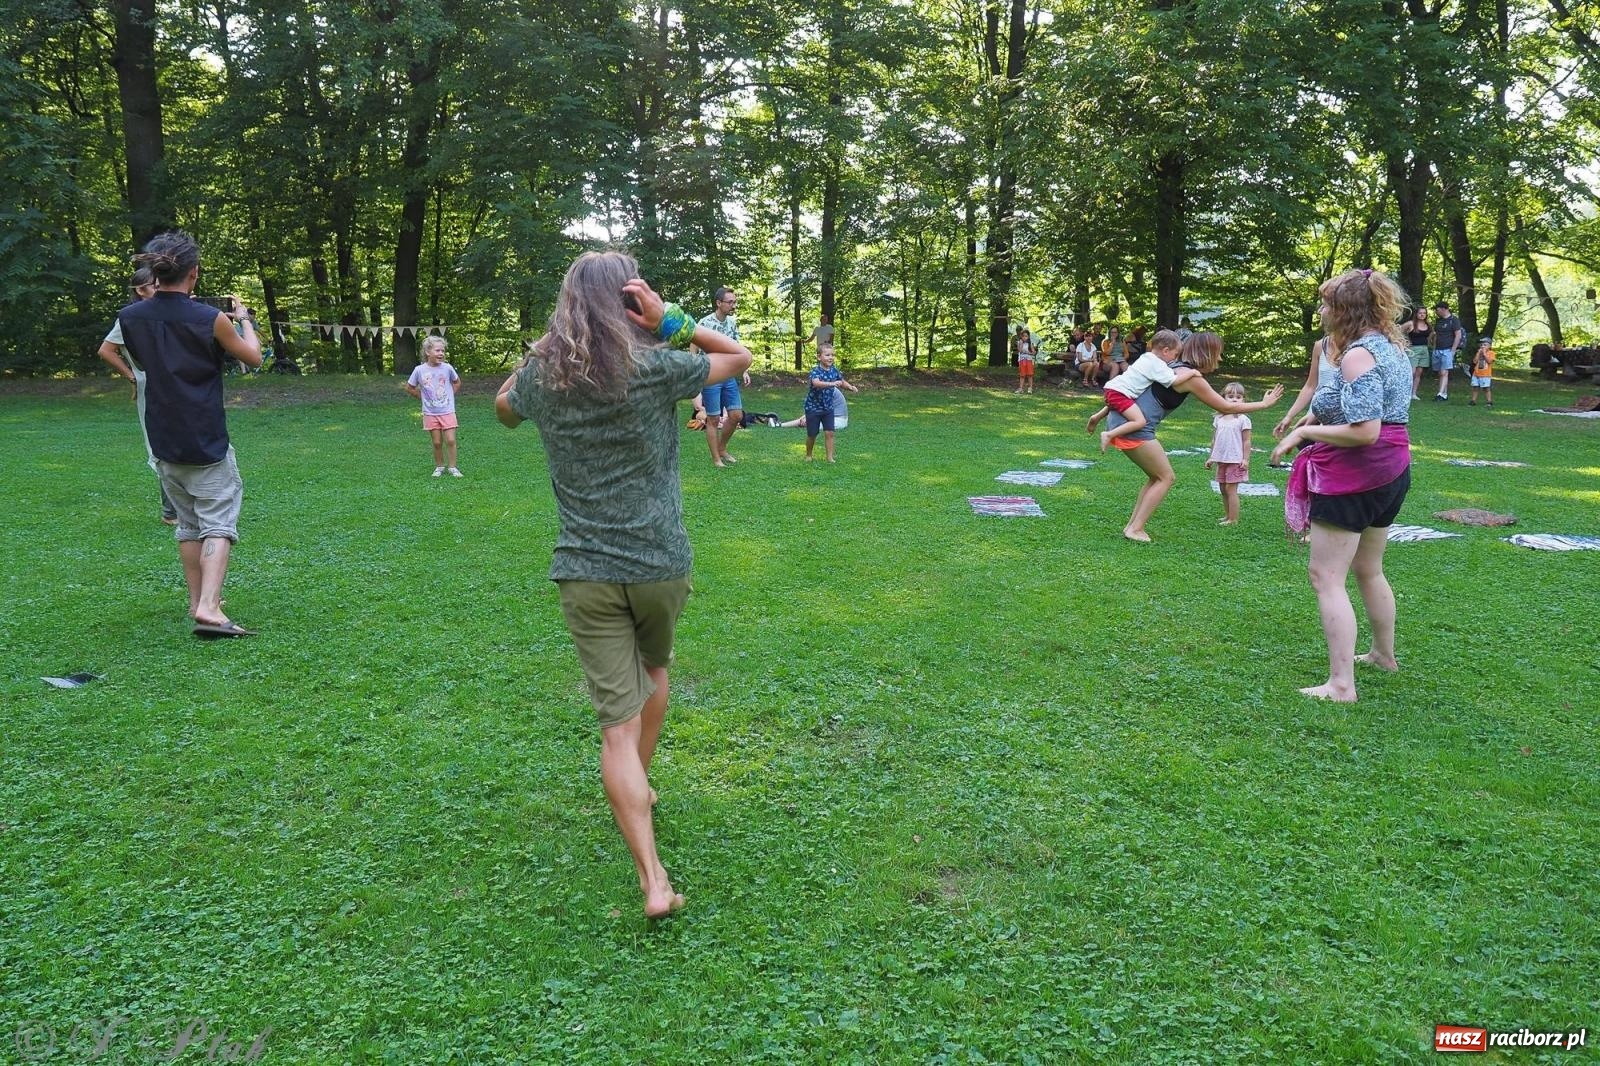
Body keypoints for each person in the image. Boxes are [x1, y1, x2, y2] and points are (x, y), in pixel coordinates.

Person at [495, 251, 751, 919]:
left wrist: (540, 352)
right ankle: (642, 781)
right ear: (630, 302)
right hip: (660, 563)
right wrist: (673, 322)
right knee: (656, 670)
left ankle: (653, 880)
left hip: (585, 571)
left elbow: (501, 409)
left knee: (615, 729)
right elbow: (738, 357)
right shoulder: (655, 366)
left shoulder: (544, 377)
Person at [1270, 268, 1414, 703]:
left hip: (1358, 472)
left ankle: (1340, 685)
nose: (1321, 310)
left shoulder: (1358, 355)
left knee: (1325, 576)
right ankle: (1383, 655)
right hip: (1390, 470)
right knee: (1368, 568)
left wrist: (1303, 434)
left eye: (1327, 303)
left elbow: (1364, 431)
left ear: (1345, 310)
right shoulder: (1390, 347)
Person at [115, 231, 263, 637]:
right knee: (217, 522)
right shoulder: (209, 318)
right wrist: (245, 319)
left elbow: (147, 358)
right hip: (205, 436)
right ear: (193, 273)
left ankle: (196, 601)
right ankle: (211, 608)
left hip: (162, 436)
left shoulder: (130, 318)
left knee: (188, 524)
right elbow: (253, 357)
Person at [1091, 332, 1284, 542]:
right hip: (1135, 427)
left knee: (1157, 477)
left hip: (1123, 421)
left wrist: (1100, 416)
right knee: (1166, 477)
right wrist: (1264, 404)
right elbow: (1225, 407)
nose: (1219, 360)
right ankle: (1135, 529)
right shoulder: (1189, 376)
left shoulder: (1172, 367)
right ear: (1207, 353)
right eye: (1218, 354)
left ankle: (1133, 526)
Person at [97, 266, 178, 525]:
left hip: (177, 385)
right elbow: (106, 350)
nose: (159, 289)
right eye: (154, 285)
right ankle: (171, 512)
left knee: (182, 438)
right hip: (152, 389)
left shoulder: (169, 312)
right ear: (140, 290)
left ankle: (185, 506)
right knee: (161, 443)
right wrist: (132, 376)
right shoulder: (130, 318)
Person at [1089, 329, 1185, 451]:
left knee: (1122, 405)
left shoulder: (1146, 357)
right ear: (1166, 351)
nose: (1175, 360)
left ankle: (1096, 417)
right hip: (1119, 392)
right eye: (1175, 355)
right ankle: (1109, 434)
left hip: (1114, 388)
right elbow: (1175, 381)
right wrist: (1193, 373)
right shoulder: (1157, 365)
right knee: (1140, 421)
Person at [696, 286, 751, 467]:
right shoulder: (704, 323)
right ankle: (716, 459)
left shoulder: (732, 323)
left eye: (735, 302)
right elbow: (693, 347)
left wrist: (743, 369)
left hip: (728, 375)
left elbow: (738, 348)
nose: (733, 305)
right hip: (711, 375)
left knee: (736, 415)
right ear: (718, 303)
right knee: (713, 419)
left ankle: (722, 448)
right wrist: (694, 370)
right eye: (730, 302)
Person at [405, 336, 463, 476]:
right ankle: (439, 466)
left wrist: (450, 395)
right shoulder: (419, 370)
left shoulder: (447, 368)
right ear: (427, 352)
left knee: (450, 440)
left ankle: (453, 467)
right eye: (437, 350)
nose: (441, 353)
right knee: (437, 443)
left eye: (443, 351)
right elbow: (409, 387)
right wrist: (421, 396)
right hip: (430, 413)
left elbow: (457, 382)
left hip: (447, 411)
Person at [1206, 382, 1253, 525]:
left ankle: (1233, 519)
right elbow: (1215, 439)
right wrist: (1211, 457)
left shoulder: (1243, 419)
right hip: (1221, 459)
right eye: (1230, 396)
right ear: (1223, 398)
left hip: (1235, 460)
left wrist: (1245, 459)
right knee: (1222, 488)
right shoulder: (1218, 419)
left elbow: (1246, 441)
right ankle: (1228, 516)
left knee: (1230, 489)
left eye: (1238, 397)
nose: (1234, 399)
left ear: (1243, 400)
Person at [804, 344, 860, 461]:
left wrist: (851, 387)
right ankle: (809, 455)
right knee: (812, 434)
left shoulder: (834, 370)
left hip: (828, 408)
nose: (831, 357)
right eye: (827, 355)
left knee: (830, 433)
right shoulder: (816, 371)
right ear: (819, 357)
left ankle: (830, 458)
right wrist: (831, 384)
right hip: (813, 408)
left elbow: (841, 381)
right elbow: (816, 383)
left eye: (832, 355)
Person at [1430, 301, 1463, 401]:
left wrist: (1453, 350)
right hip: (1438, 350)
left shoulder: (1454, 320)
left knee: (1445, 372)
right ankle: (1444, 394)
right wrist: (1434, 348)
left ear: (1444, 309)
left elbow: (1458, 335)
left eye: (1438, 310)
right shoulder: (1438, 321)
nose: (1436, 312)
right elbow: (1436, 335)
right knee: (1440, 372)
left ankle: (1440, 394)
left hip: (1448, 349)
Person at [1405, 307, 1431, 400]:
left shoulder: (1427, 324)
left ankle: (1414, 394)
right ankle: (1405, 392)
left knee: (1419, 373)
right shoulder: (1411, 323)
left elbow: (1430, 336)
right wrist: (1405, 342)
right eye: (1420, 313)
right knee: (1411, 372)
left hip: (1424, 349)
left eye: (1424, 313)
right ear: (1416, 314)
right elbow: (1398, 331)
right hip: (1413, 349)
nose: (1422, 315)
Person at [1469, 336, 1495, 406]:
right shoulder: (1478, 352)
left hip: (1485, 374)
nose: (1483, 346)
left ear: (1489, 346)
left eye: (1485, 345)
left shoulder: (1491, 353)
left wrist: (1484, 354)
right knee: (1475, 387)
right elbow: (1474, 361)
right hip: (1476, 374)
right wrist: (1478, 353)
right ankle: (1473, 401)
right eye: (1482, 345)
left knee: (1486, 388)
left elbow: (1489, 361)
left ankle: (1489, 401)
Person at [1014, 328, 1036, 394]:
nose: (1024, 337)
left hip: (1029, 360)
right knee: (1022, 375)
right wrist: (1021, 343)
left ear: (1028, 337)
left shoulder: (1030, 344)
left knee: (1030, 375)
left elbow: (1034, 352)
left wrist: (1029, 352)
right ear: (1021, 336)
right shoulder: (1019, 342)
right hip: (1022, 360)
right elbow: (1020, 350)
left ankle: (1030, 388)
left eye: (1026, 336)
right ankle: (1021, 388)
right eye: (1023, 336)